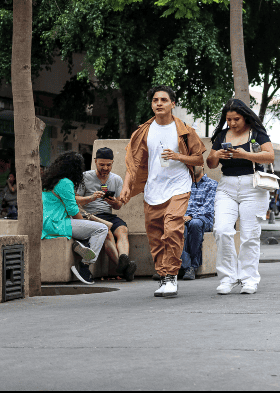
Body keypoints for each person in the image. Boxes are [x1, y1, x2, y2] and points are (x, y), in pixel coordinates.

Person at [120, 85, 205, 298]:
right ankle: (163, 275)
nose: (159, 103)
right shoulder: (143, 132)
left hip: (179, 187)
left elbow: (199, 159)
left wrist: (179, 157)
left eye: (164, 100)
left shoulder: (184, 130)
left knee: (173, 230)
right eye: (155, 100)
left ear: (172, 104)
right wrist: (126, 186)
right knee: (156, 236)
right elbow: (134, 163)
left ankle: (171, 277)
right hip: (153, 189)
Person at [207, 98, 274, 295]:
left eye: (236, 119)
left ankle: (249, 279)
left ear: (244, 117)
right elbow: (210, 164)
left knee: (249, 235)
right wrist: (217, 155)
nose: (232, 123)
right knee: (221, 230)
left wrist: (244, 154)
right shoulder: (221, 135)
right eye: (229, 119)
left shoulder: (256, 133)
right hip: (227, 185)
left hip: (252, 185)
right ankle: (228, 278)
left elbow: (270, 155)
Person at [42, 152, 109, 285]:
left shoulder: (49, 181)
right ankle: (85, 266)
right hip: (58, 224)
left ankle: (82, 245)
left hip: (47, 223)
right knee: (101, 229)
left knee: (88, 229)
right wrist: (84, 224)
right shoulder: (65, 182)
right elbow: (73, 210)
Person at [76, 147, 137, 281]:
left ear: (112, 163)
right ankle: (124, 269)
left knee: (122, 230)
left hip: (108, 214)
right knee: (107, 233)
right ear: (95, 162)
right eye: (101, 164)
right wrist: (91, 198)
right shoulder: (85, 177)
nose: (105, 168)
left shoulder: (116, 179)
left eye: (108, 165)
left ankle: (123, 261)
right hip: (90, 215)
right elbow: (75, 199)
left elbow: (119, 206)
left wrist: (113, 202)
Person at [180, 166, 218, 280]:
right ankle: (187, 266)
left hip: (203, 219)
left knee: (195, 224)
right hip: (184, 217)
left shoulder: (212, 184)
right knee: (179, 227)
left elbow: (208, 207)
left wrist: (191, 216)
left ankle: (193, 266)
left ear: (202, 166)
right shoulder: (184, 184)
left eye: (195, 164)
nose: (192, 167)